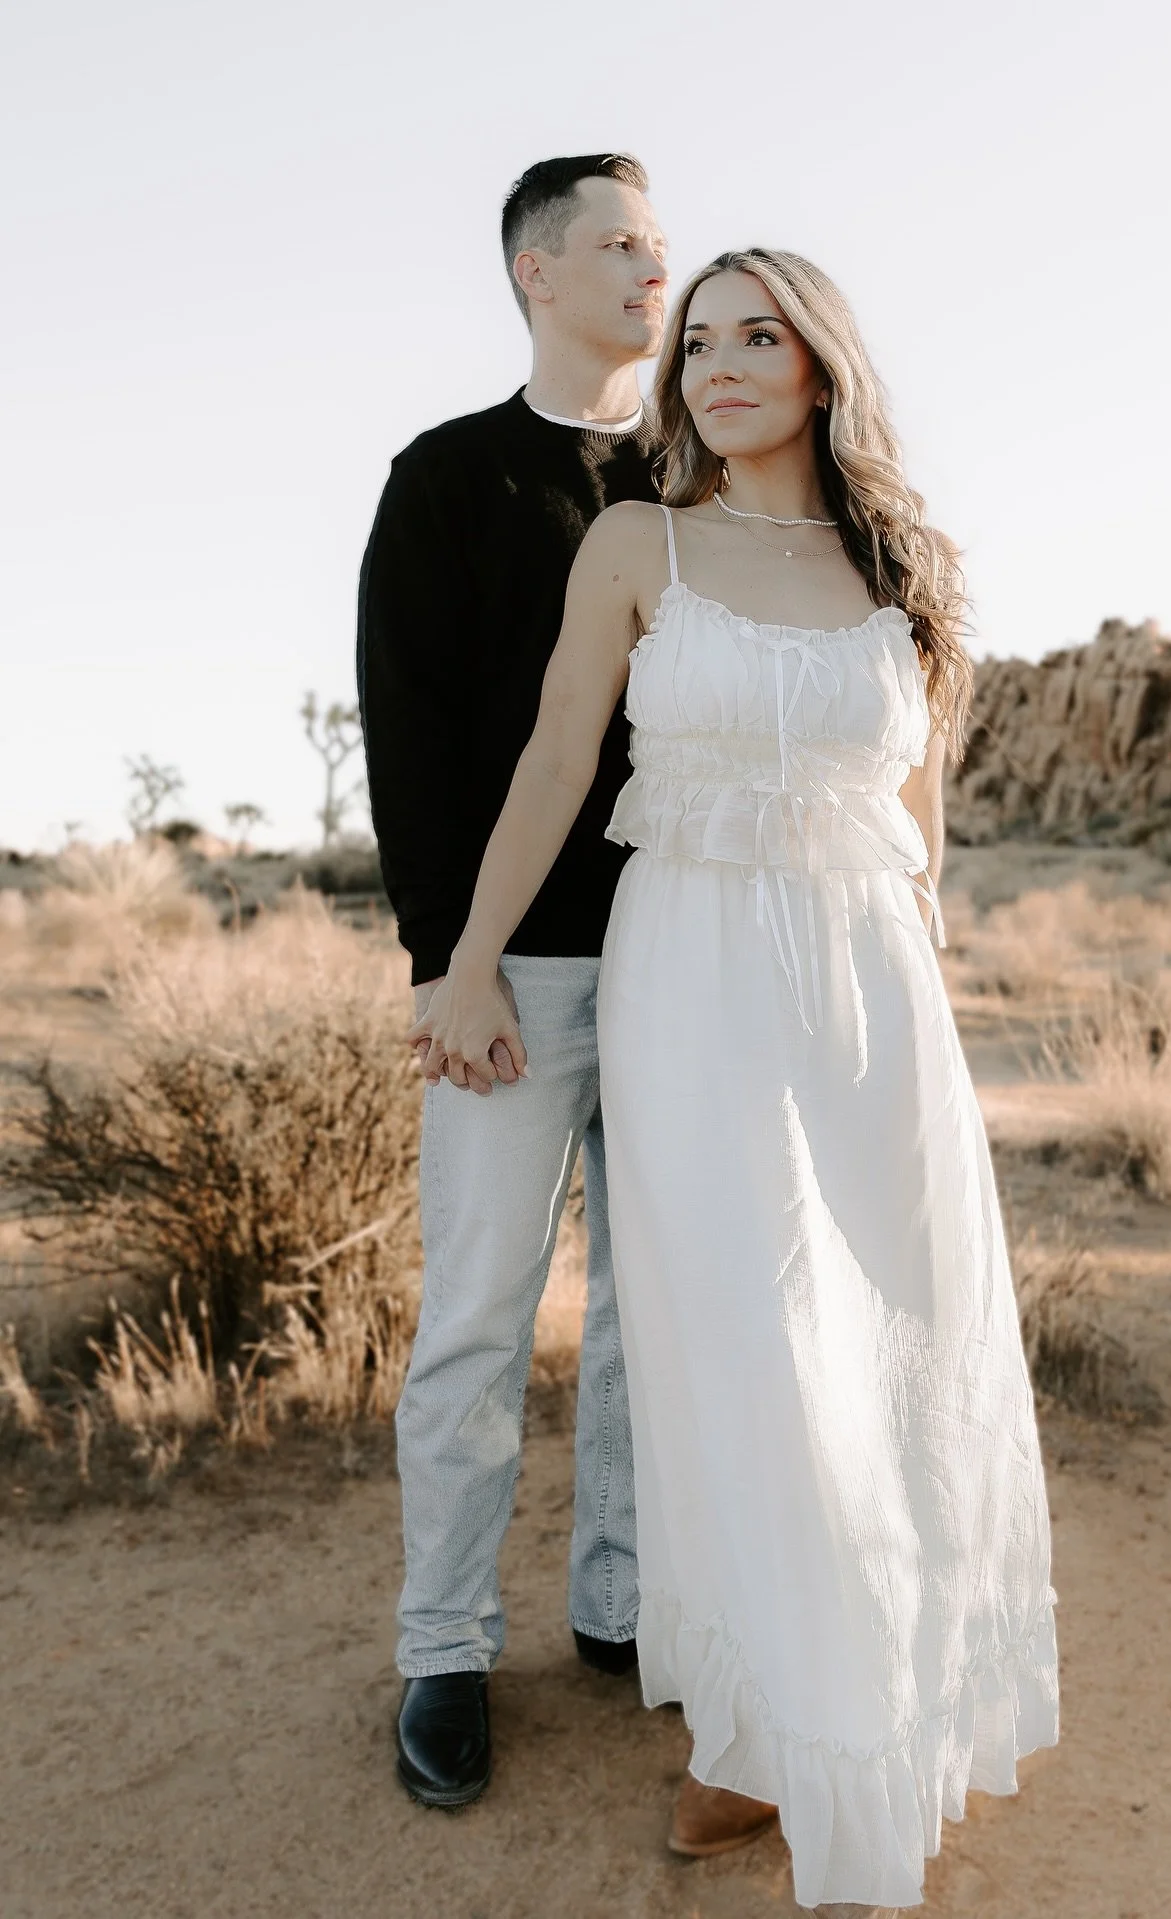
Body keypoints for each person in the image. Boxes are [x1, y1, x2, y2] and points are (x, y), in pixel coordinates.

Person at [410, 248, 1059, 1912]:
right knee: (750, 1343)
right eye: (697, 341)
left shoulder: (904, 567)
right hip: (690, 977)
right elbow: (563, 752)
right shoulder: (641, 544)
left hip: (872, 994)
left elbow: (920, 824)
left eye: (756, 334)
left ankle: (879, 1691)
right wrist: (470, 954)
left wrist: (932, 992)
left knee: (894, 1332)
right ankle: (761, 1727)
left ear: (823, 363)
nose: (717, 364)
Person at [356, 151, 668, 1808]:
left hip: (683, 970)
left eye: (659, 241)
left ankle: (616, 1606)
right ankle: (443, 1649)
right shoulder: (452, 478)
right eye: (618, 242)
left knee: (646, 1316)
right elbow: (405, 738)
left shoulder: (699, 482)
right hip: (511, 977)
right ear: (536, 273)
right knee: (476, 1322)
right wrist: (443, 966)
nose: (652, 267)